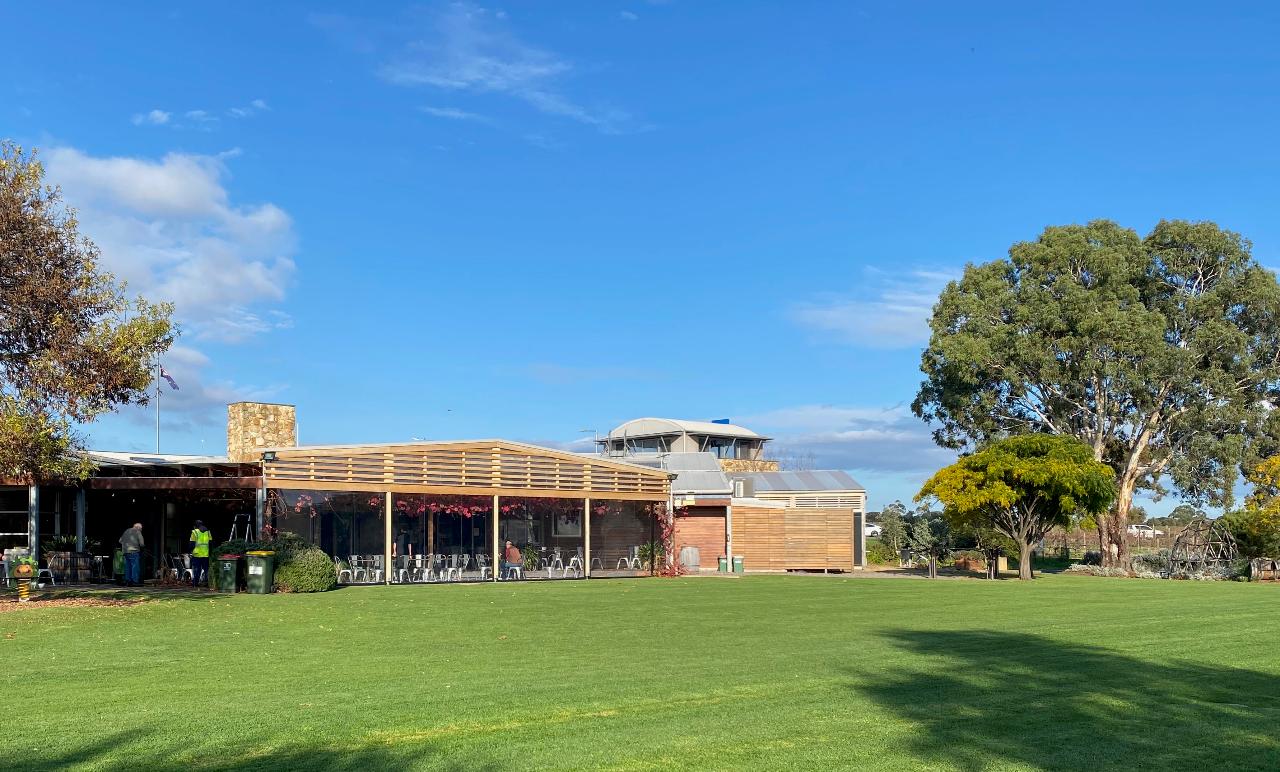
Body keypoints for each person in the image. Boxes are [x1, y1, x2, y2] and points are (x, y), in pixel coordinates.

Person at [189, 520, 211, 587]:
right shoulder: (208, 532)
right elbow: (211, 543)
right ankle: (208, 583)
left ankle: (195, 583)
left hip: (197, 554)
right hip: (206, 554)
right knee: (206, 570)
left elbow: (192, 544)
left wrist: (190, 551)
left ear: (195, 526)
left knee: (197, 569)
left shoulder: (194, 532)